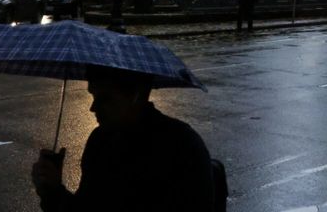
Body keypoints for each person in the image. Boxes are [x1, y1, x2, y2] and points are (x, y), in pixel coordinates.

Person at [31, 65, 216, 211]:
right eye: (93, 96)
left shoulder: (181, 147)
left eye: (105, 98)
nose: (93, 108)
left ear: (136, 95)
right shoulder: (101, 140)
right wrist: (52, 191)